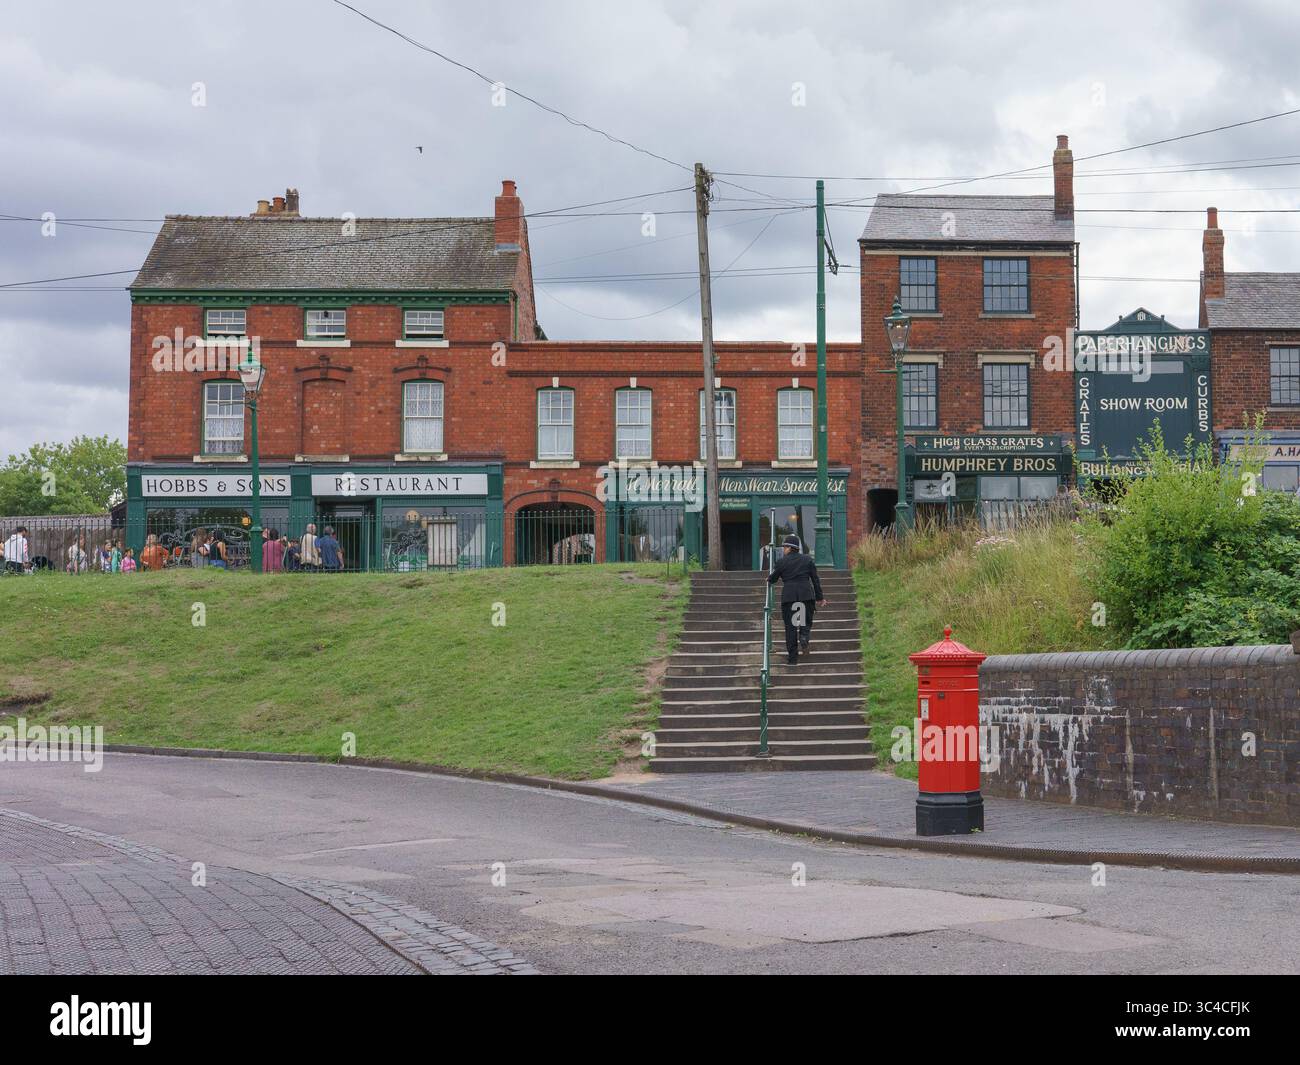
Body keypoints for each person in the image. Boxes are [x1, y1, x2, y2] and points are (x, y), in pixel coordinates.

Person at [766, 535, 826, 666]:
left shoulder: (782, 562)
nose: (783, 550)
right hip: (805, 595)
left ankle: (792, 659)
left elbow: (773, 578)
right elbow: (815, 580)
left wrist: (769, 579)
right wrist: (820, 597)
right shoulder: (807, 560)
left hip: (789, 597)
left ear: (789, 548)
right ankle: (804, 636)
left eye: (784, 547)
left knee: (791, 627)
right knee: (804, 621)